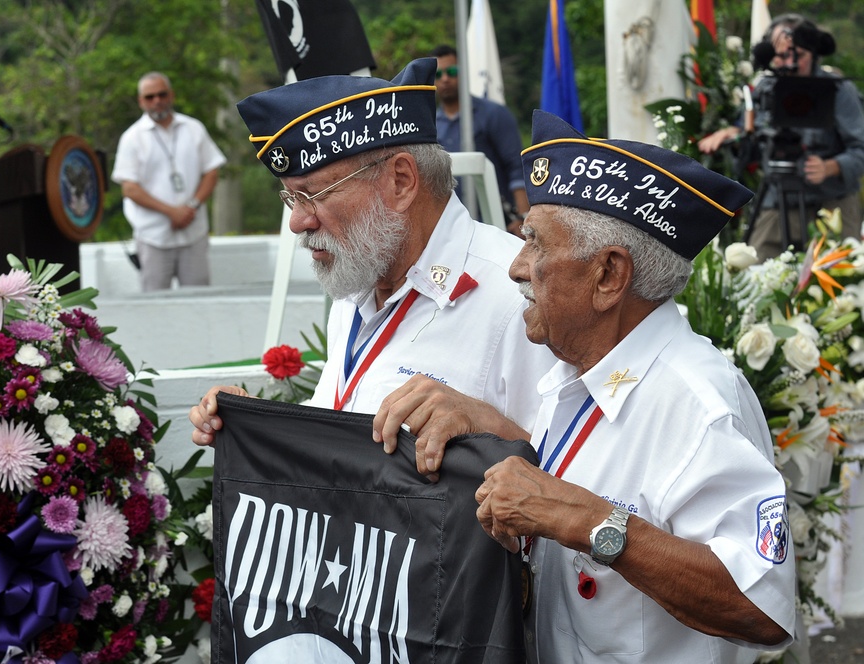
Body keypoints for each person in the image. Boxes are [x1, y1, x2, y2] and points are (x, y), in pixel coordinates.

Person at [377, 110, 797, 662]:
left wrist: (589, 520)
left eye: (536, 244)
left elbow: (762, 608)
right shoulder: (574, 376)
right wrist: (496, 431)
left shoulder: (698, 400)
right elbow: (593, 476)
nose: (517, 267)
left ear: (608, 276)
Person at [190, 58, 554, 475]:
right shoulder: (362, 277)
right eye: (291, 198)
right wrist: (257, 423)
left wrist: (489, 426)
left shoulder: (518, 294)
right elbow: (344, 430)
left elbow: (577, 482)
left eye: (315, 194)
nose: (297, 222)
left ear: (400, 181)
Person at [698, 14, 864, 260]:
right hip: (778, 196)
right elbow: (751, 134)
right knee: (755, 271)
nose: (787, 64)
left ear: (814, 53)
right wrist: (733, 134)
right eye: (779, 55)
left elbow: (860, 148)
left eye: (795, 55)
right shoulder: (766, 88)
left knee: (836, 280)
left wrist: (831, 167)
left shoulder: (838, 90)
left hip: (832, 201)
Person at [111, 72, 226, 291]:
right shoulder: (132, 137)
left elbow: (212, 171)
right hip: (153, 236)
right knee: (153, 305)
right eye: (150, 96)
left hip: (194, 232)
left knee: (200, 302)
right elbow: (129, 188)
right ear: (141, 101)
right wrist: (171, 212)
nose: (157, 101)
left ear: (171, 95)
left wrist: (190, 206)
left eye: (162, 94)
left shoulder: (193, 128)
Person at [431, 45, 529, 235]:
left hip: (496, 225)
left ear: (464, 72)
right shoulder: (430, 125)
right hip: (451, 231)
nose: (445, 79)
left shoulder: (494, 114)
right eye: (438, 74)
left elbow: (517, 168)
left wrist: (523, 219)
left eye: (452, 71)